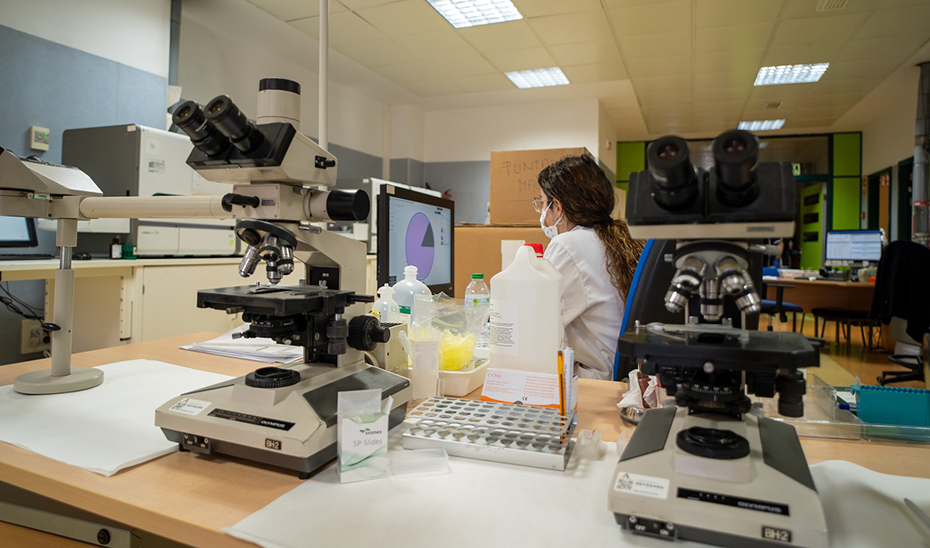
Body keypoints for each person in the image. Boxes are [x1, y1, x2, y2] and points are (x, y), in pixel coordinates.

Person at [535, 155, 645, 380]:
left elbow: (536, 323)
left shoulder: (568, 245)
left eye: (542, 204)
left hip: (593, 382)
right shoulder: (616, 238)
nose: (543, 216)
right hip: (622, 376)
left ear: (557, 206)